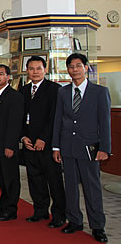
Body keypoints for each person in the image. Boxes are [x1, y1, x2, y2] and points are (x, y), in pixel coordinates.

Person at [53, 53, 111, 243]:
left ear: (86, 68)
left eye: (78, 66)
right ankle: (75, 221)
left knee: (91, 188)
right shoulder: (62, 92)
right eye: (71, 66)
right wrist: (56, 147)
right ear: (67, 70)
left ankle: (97, 226)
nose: (74, 70)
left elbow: (105, 122)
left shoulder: (99, 92)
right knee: (70, 187)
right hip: (67, 147)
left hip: (90, 149)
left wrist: (105, 148)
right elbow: (58, 121)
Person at [19, 56, 65, 227]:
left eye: (38, 68)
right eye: (31, 69)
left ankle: (59, 214)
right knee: (35, 179)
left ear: (45, 70)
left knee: (54, 181)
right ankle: (40, 211)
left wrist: (43, 139)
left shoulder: (55, 89)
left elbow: (54, 117)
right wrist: (23, 137)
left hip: (48, 145)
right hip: (29, 144)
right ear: (27, 71)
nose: (35, 72)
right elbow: (20, 118)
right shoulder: (23, 91)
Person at [0, 64, 23, 221]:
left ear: (8, 77)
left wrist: (10, 145)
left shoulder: (14, 96)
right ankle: (4, 203)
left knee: (11, 178)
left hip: (7, 146)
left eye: (1, 74)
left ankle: (11, 209)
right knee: (1, 177)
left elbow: (15, 123)